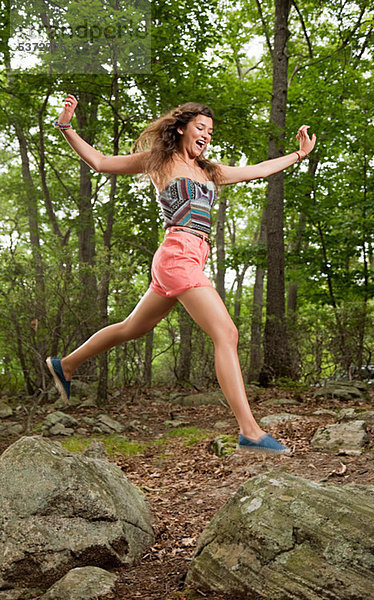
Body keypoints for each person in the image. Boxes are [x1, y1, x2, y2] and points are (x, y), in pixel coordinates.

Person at [47, 94, 316, 454]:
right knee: (227, 333)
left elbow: (259, 169)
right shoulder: (159, 161)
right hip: (178, 255)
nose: (206, 134)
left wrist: (298, 155)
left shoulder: (209, 171)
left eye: (210, 131)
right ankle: (250, 431)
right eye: (200, 127)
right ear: (181, 128)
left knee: (132, 328)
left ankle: (65, 364)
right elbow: (100, 162)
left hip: (193, 256)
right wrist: (66, 126)